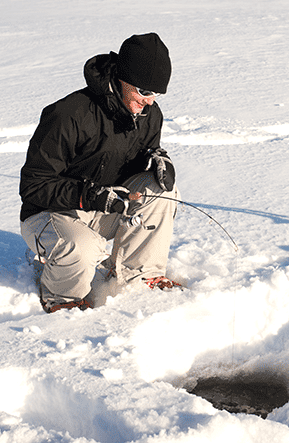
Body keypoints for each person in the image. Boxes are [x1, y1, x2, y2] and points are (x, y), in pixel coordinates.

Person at [19, 33, 181, 313]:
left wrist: (156, 159)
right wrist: (90, 195)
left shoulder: (149, 115)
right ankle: (63, 298)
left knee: (161, 192)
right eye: (144, 91)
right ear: (122, 78)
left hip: (103, 206)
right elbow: (34, 186)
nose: (150, 102)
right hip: (51, 213)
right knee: (81, 247)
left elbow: (142, 155)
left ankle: (139, 276)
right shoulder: (69, 114)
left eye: (156, 93)